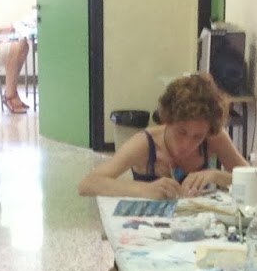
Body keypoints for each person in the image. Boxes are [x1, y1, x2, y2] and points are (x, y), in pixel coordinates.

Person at [77, 72, 247, 200]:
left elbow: (254, 182)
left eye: (198, 137)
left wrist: (217, 176)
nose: (187, 143)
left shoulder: (214, 137)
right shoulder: (145, 143)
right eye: (181, 132)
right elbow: (87, 184)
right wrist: (144, 189)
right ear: (168, 120)